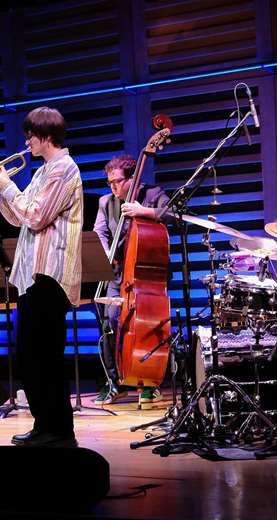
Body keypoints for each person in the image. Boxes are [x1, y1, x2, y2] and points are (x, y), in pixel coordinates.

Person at [0, 107, 83, 448]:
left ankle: (59, 430)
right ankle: (44, 426)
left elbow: (37, 215)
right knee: (30, 357)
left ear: (45, 135)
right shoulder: (42, 172)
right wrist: (0, 189)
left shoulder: (64, 170)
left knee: (47, 358)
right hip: (31, 277)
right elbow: (19, 218)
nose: (26, 141)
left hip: (50, 277)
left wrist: (7, 185)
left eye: (30, 135)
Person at [92, 154, 174, 406]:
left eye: (117, 182)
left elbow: (173, 214)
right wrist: (105, 250)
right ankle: (114, 382)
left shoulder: (152, 193)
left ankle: (148, 382)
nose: (113, 187)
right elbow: (99, 231)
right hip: (119, 276)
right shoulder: (106, 201)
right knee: (109, 323)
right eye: (110, 183)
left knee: (147, 327)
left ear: (131, 179)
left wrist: (144, 212)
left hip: (146, 276)